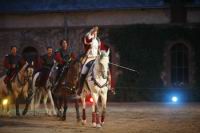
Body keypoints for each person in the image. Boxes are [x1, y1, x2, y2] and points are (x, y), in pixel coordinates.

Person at [77, 26, 101, 95]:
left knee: (105, 69)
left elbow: (99, 50)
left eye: (96, 32)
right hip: (89, 58)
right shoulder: (88, 38)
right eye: (94, 32)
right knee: (83, 72)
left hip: (96, 58)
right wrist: (92, 31)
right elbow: (87, 40)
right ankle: (80, 88)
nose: (95, 33)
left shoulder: (98, 40)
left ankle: (109, 86)